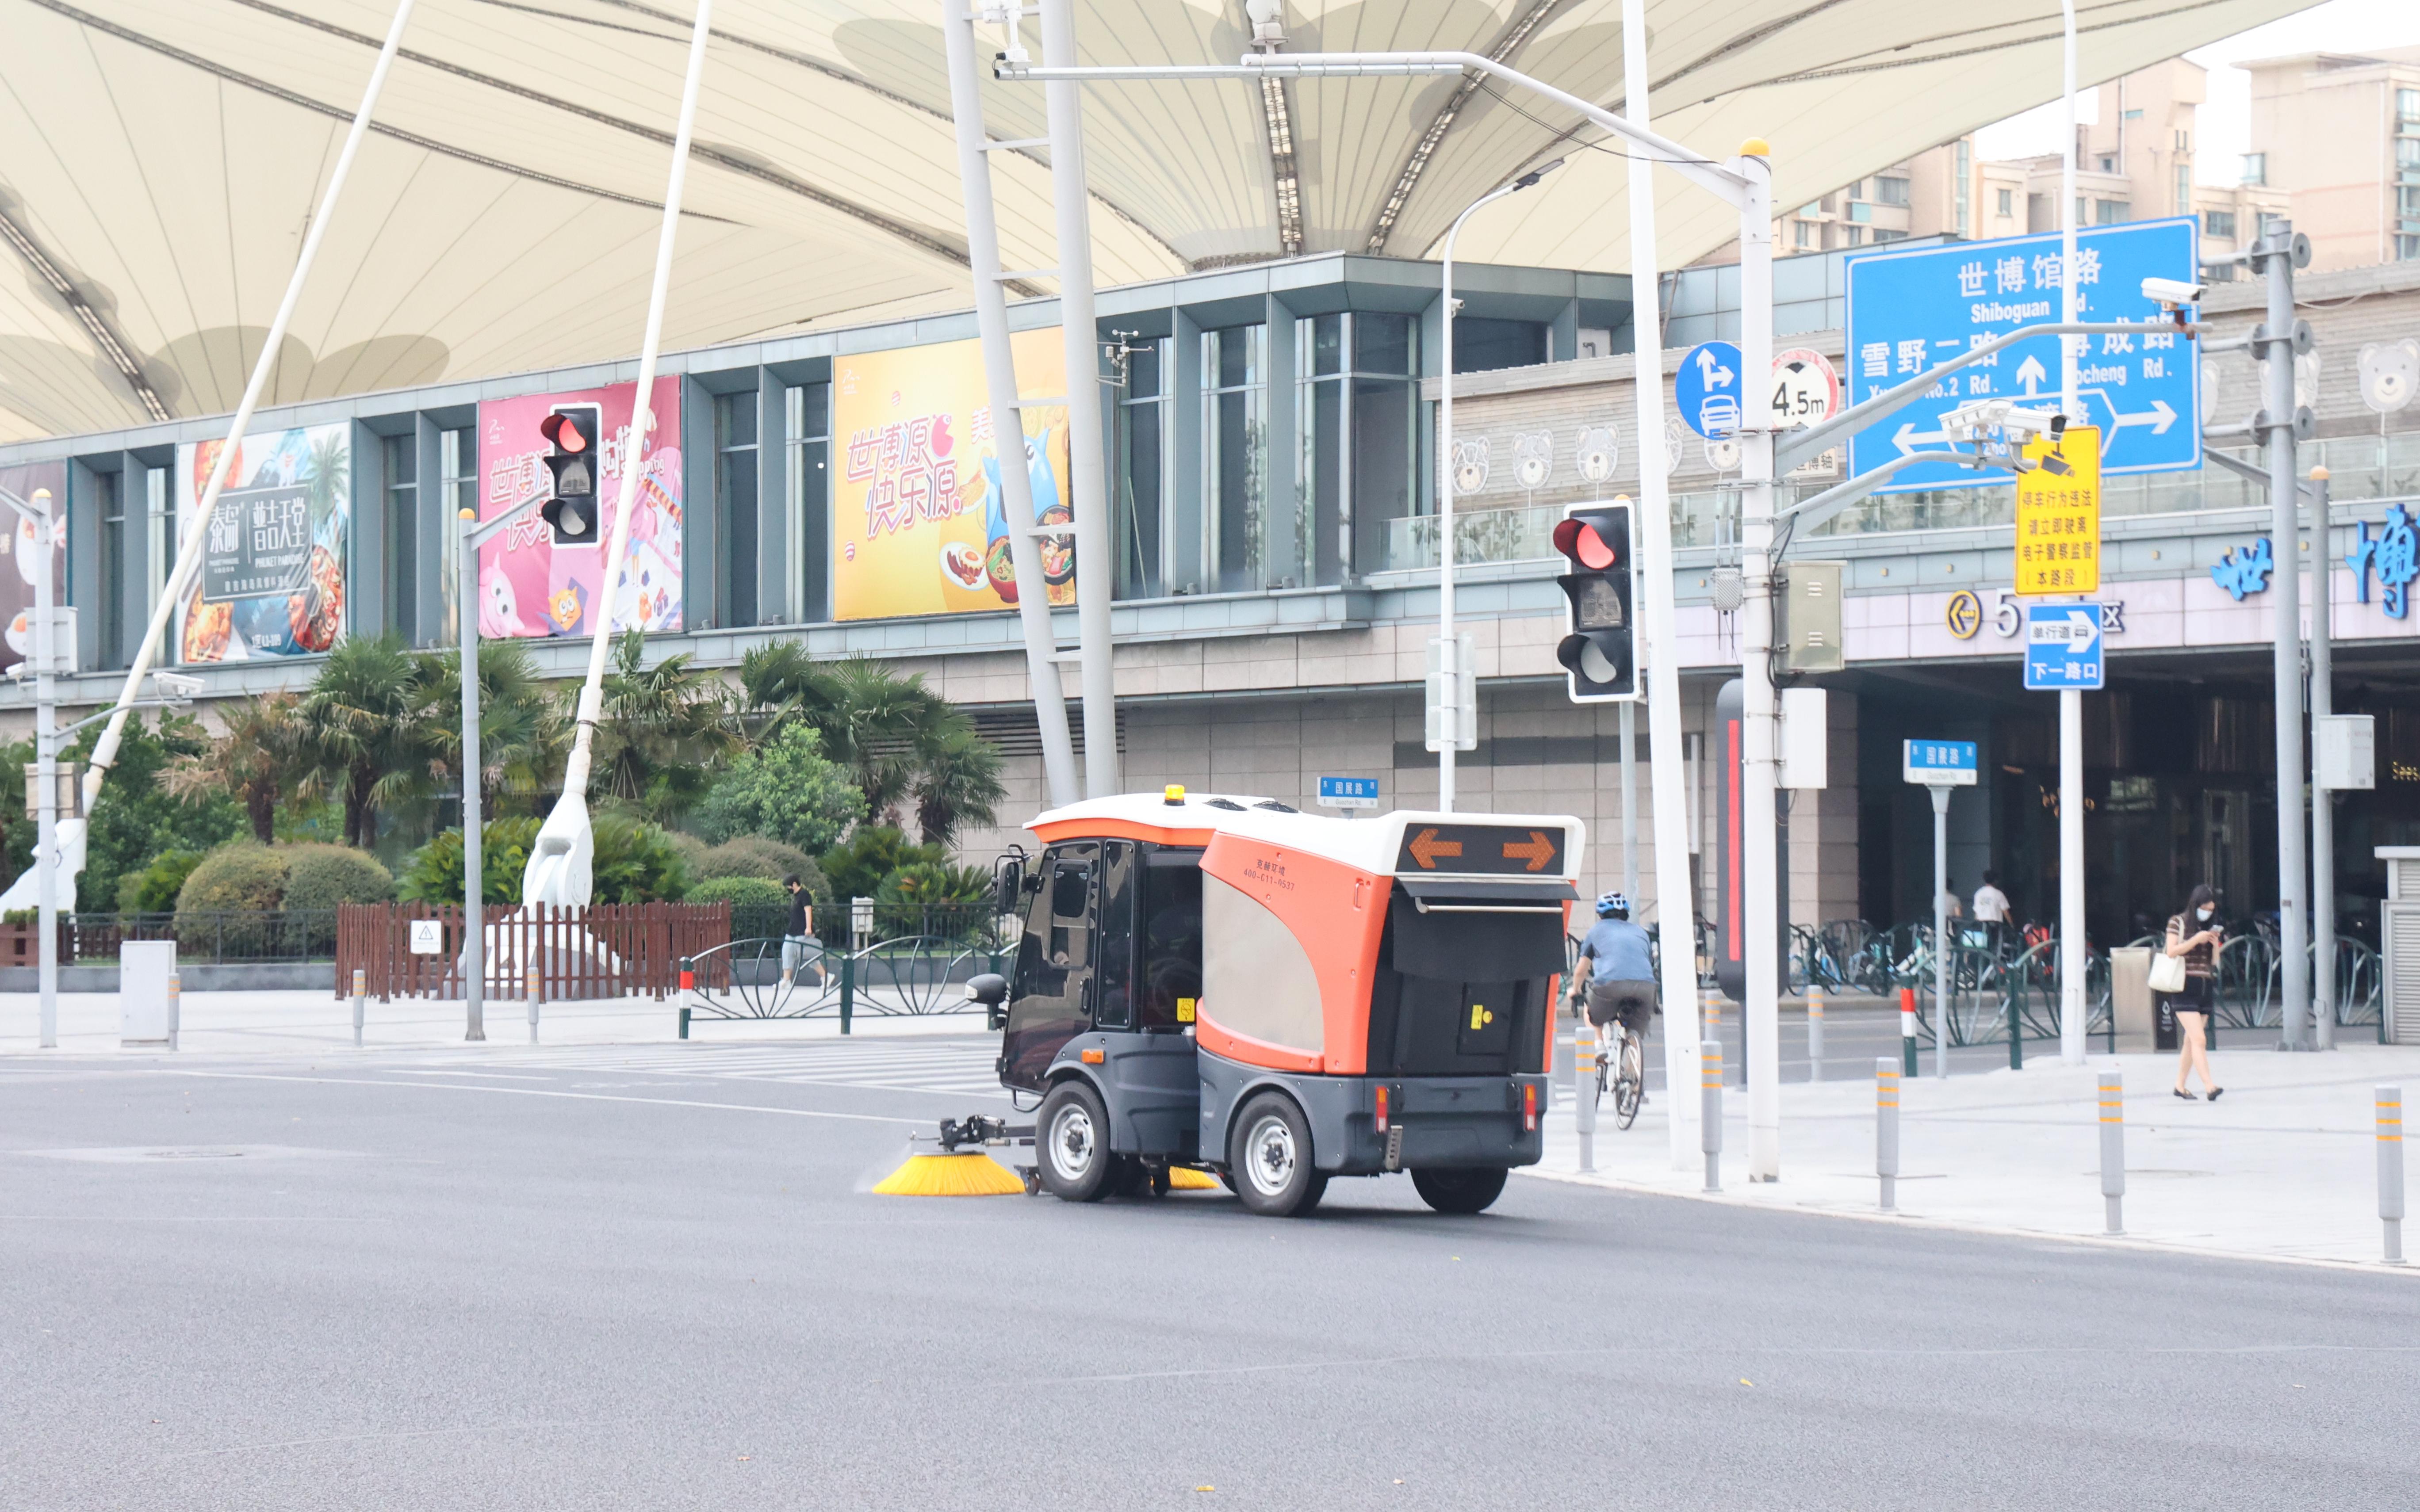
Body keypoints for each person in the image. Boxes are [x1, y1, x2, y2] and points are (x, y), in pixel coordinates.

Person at [1568, 891, 1656, 1062]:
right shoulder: (1641, 932)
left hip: (1610, 986)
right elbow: (1649, 963)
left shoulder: (1596, 931)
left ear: (1601, 915)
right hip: (1646, 987)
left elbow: (1582, 969)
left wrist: (1576, 990)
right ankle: (1635, 1077)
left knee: (1590, 1007)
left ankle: (1599, 1044)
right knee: (1635, 1034)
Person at [2163, 884, 2225, 1102]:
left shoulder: (2208, 927)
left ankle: (2180, 1086)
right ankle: (2209, 1086)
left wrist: (2215, 944)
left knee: (2192, 1041)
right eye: (2205, 907)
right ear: (2196, 904)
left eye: (2211, 909)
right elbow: (2171, 951)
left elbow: (2214, 962)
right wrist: (2195, 940)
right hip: (2184, 985)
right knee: (2200, 1039)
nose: (2208, 912)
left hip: (2205, 985)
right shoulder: (2177, 922)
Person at [781, 874, 816, 986]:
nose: (788, 889)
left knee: (807, 955)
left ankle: (825, 976)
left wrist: (809, 927)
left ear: (794, 884)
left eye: (788, 886)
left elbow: (808, 911)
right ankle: (787, 980)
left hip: (802, 930)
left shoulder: (804, 895)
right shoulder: (796, 896)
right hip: (792, 931)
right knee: (787, 952)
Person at [1972, 871, 2012, 955]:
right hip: (1995, 926)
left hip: (1981, 924)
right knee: (1995, 948)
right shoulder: (1999, 894)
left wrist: (1975, 925)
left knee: (1982, 949)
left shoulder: (1979, 894)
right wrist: (2012, 925)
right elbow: (2006, 912)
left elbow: (1976, 912)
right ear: (1996, 881)